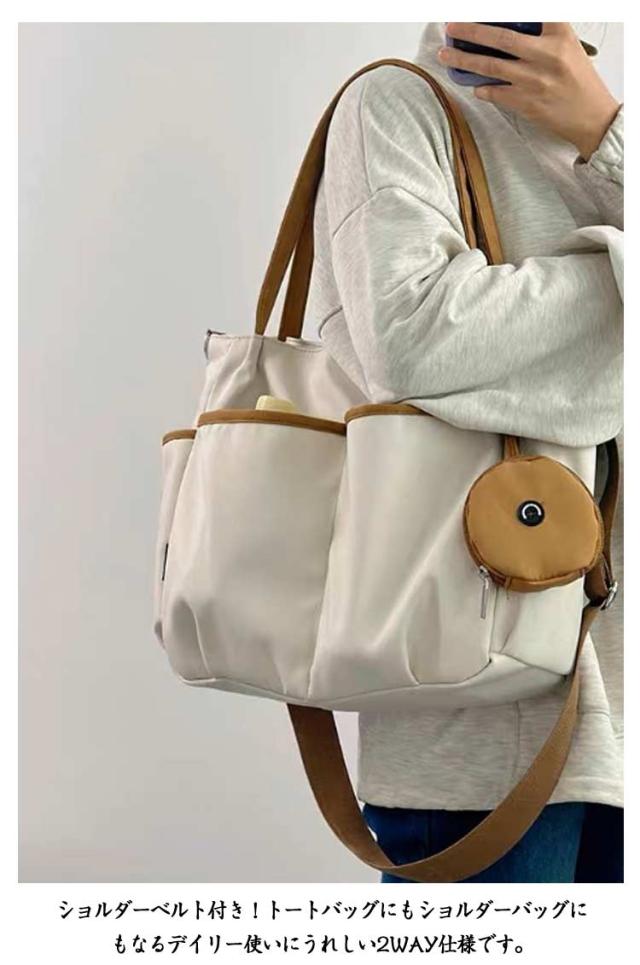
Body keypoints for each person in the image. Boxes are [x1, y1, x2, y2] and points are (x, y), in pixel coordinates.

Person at [305, 22, 624, 883]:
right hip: (480, 727)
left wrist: (607, 134)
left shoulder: (615, 133)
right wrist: (623, 281)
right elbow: (415, 342)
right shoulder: (397, 105)